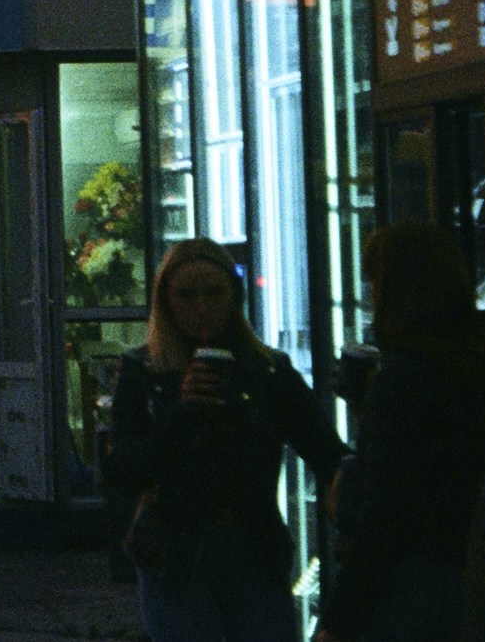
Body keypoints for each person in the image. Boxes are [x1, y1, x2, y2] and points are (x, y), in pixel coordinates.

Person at [106, 238, 348, 642]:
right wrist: (183, 414)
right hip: (175, 552)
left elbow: (324, 449)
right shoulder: (144, 370)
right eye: (186, 294)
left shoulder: (266, 370)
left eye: (214, 292)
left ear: (234, 297)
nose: (201, 307)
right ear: (165, 300)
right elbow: (123, 470)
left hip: (252, 548)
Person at [318, 224, 485, 642]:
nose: (369, 296)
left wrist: (337, 621)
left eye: (374, 281)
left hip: (396, 585)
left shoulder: (404, 380)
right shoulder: (476, 367)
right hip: (445, 571)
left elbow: (386, 517)